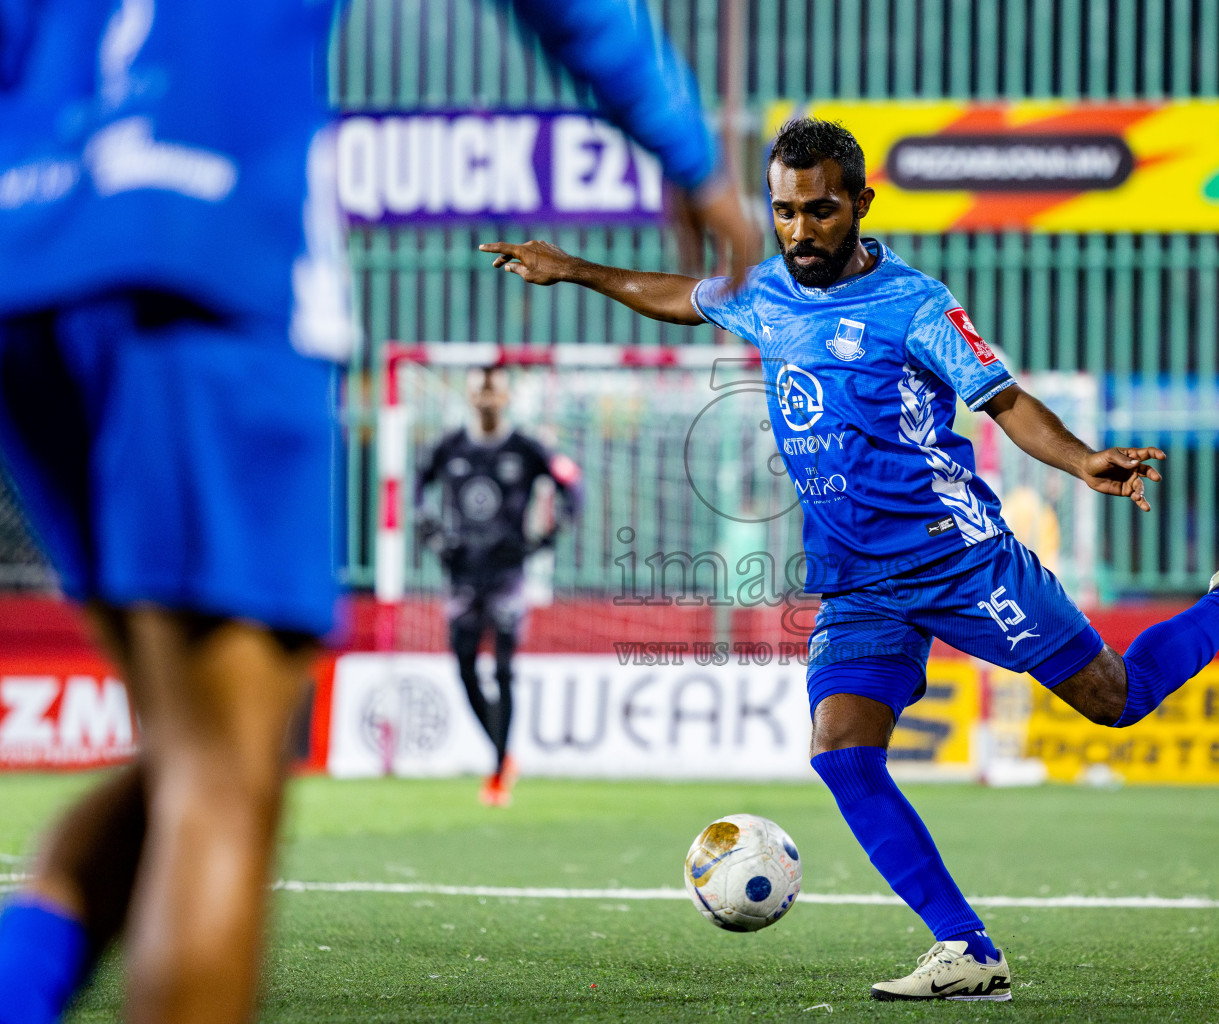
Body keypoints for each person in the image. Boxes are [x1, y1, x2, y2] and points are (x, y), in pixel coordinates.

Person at [0, 1, 757, 1021]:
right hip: (195, 248)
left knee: (194, 751)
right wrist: (689, 152)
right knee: (220, 775)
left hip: (27, 263)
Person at [480, 116, 1219, 1004]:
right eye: (783, 212)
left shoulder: (915, 306)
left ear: (860, 203)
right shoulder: (767, 291)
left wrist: (1085, 459)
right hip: (857, 582)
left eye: (819, 211)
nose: (799, 231)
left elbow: (1004, 401)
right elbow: (680, 295)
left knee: (1115, 701)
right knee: (843, 753)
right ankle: (967, 949)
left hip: (959, 561)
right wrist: (574, 269)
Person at [416, 365, 582, 807]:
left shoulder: (527, 448)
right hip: (462, 575)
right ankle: (503, 754)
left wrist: (549, 534)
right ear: (469, 397)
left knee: (505, 670)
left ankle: (496, 772)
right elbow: (415, 486)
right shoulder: (448, 446)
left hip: (508, 574)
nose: (486, 400)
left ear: (506, 398)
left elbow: (572, 486)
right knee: (466, 670)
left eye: (494, 393)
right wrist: (428, 530)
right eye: (479, 392)